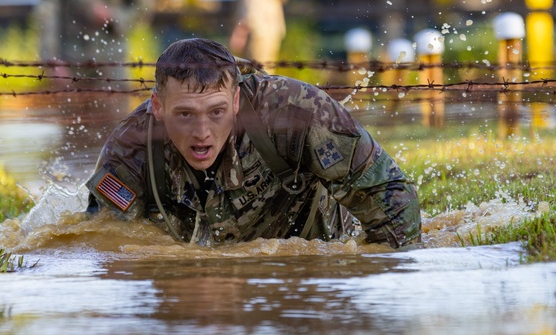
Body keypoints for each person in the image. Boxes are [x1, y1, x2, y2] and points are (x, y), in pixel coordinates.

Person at [85, 38, 421, 248]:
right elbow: (109, 243)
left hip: (317, 248)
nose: (202, 131)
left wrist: (385, 276)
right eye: (185, 115)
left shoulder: (294, 112)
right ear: (157, 107)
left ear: (235, 101)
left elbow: (389, 194)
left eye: (216, 112)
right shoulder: (130, 150)